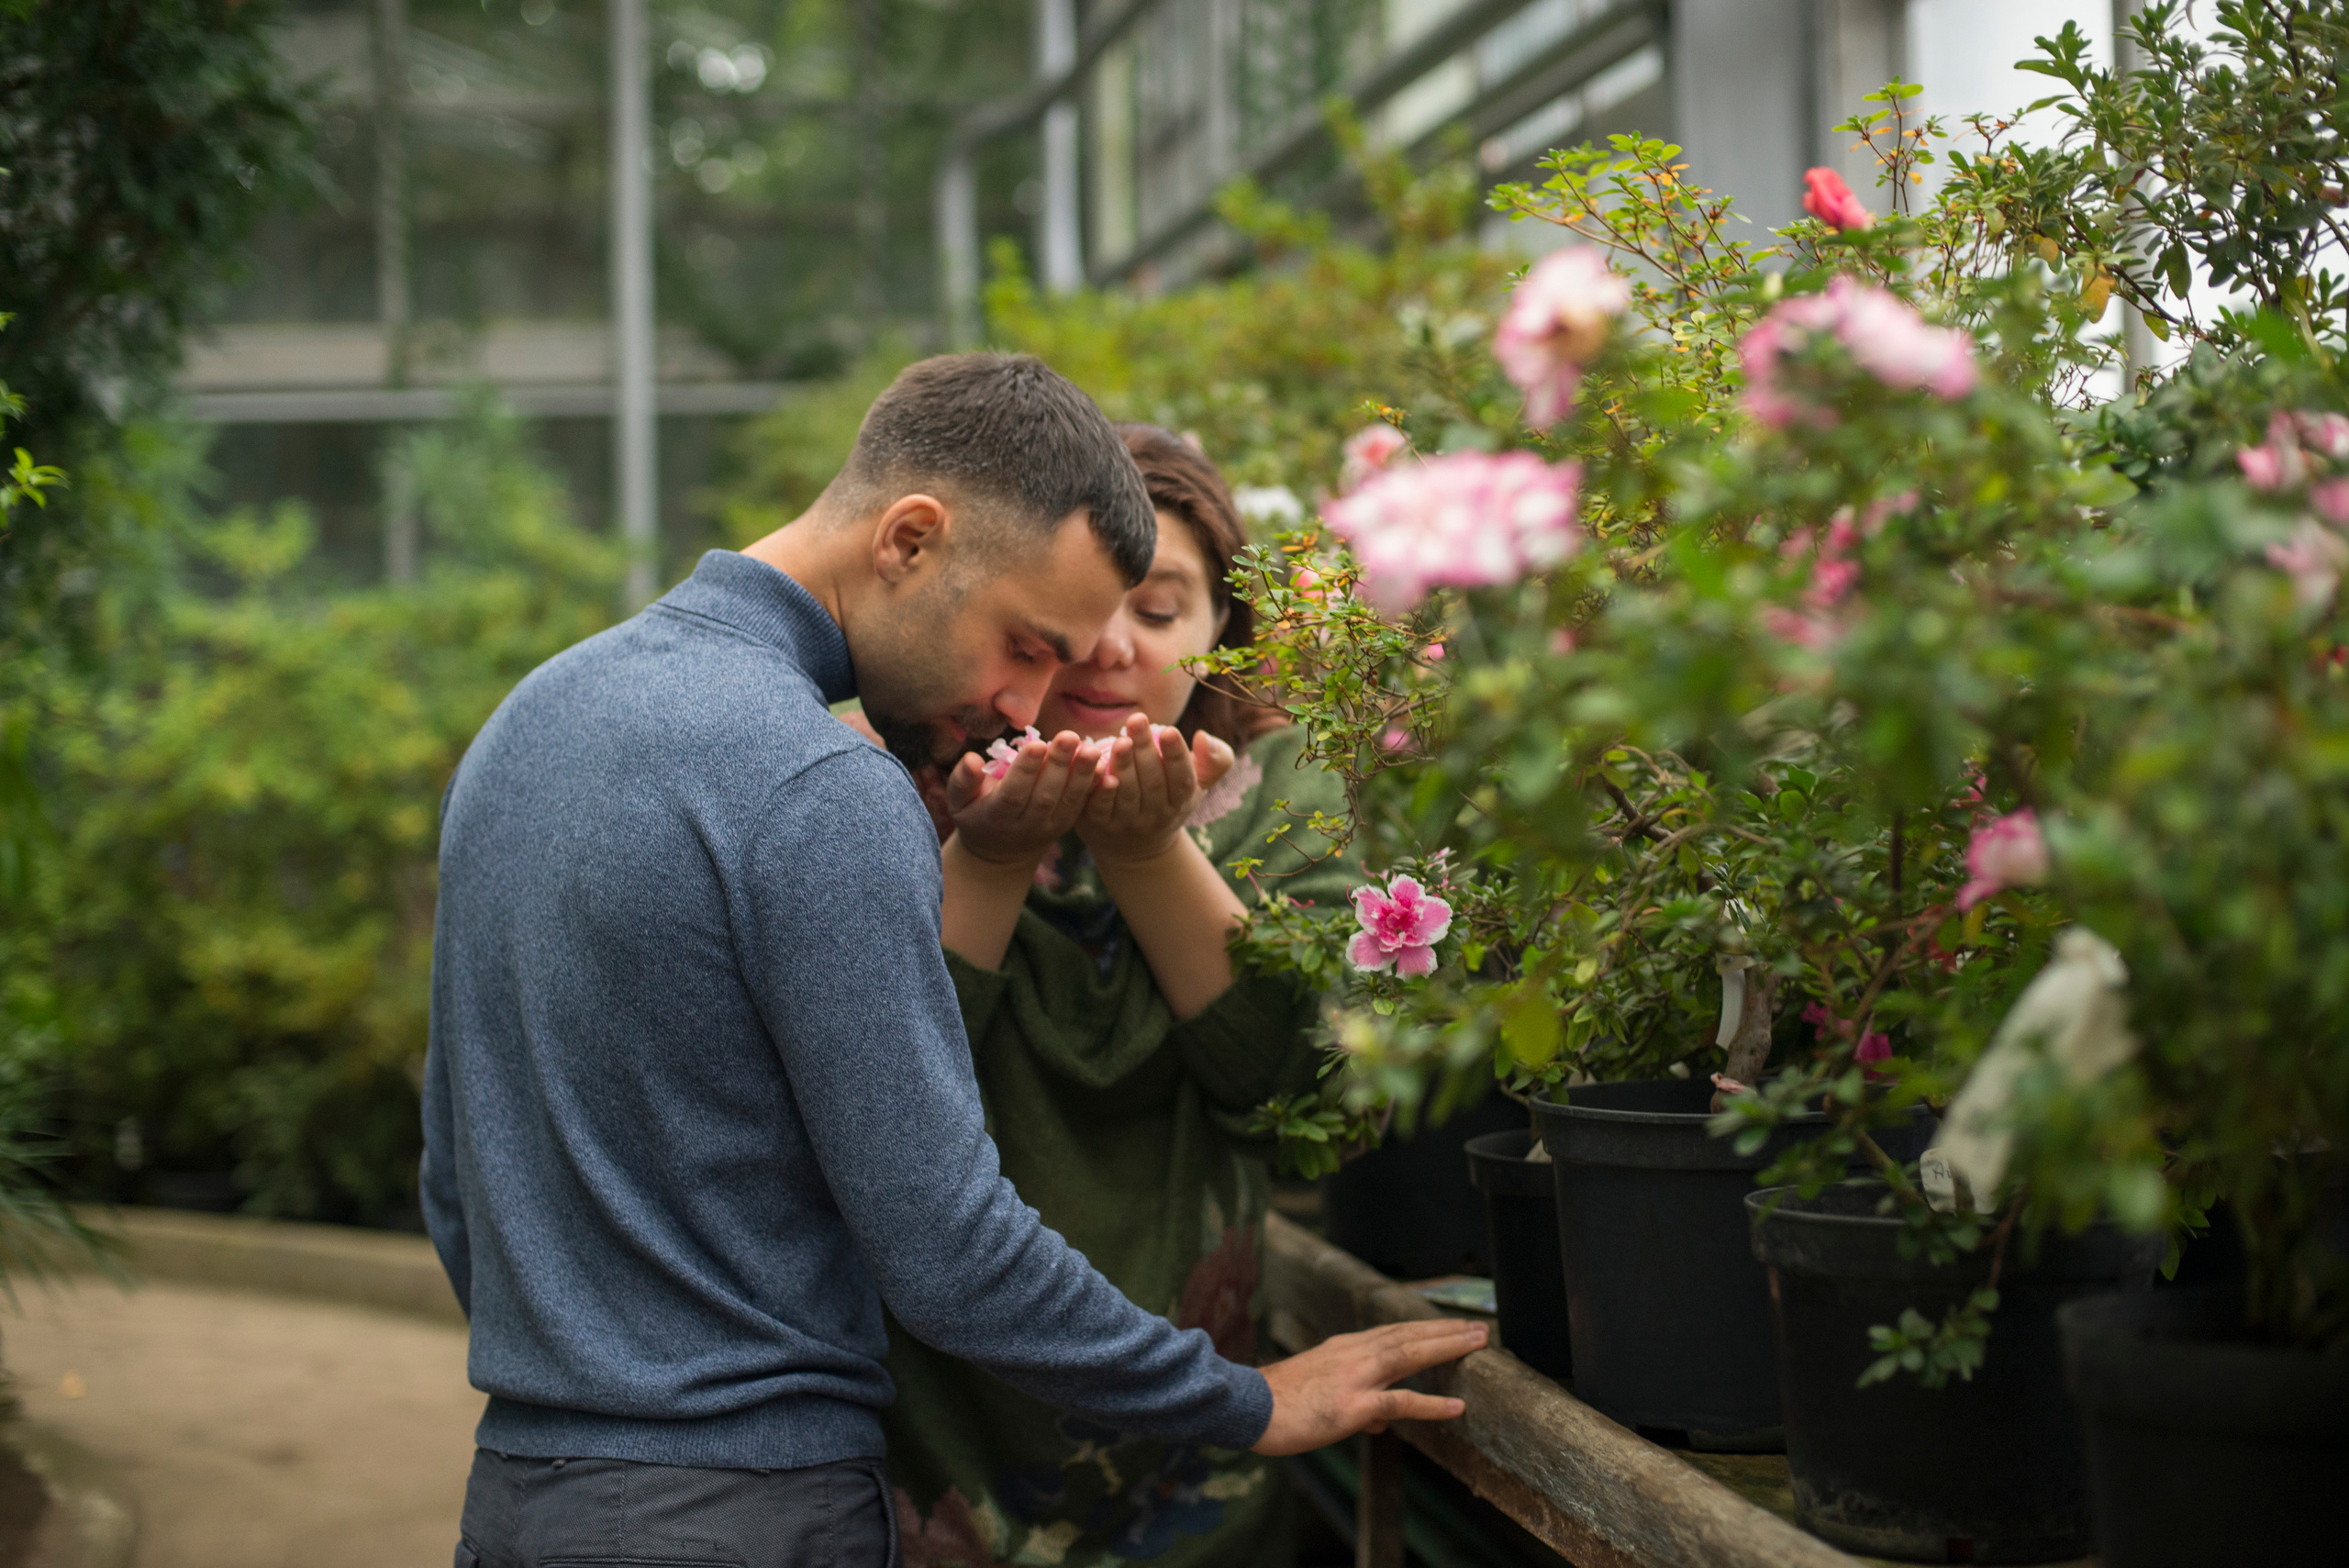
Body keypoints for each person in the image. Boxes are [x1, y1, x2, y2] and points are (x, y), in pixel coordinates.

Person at [421, 354, 1484, 1568]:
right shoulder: (822, 786)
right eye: (1027, 644)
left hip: (523, 1496)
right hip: (747, 1509)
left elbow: (456, 1175)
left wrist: (590, 1372)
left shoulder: (529, 722)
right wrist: (1250, 1400)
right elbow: (947, 1249)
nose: (1028, 702)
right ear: (910, 540)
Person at [880, 426, 1352, 1567]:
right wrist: (990, 861)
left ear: (1217, 633)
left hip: (1202, 1446)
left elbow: (1298, 1096)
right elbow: (882, 1085)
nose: (1107, 648)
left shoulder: (1279, 790)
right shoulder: (885, 771)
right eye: (1079, 605)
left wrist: (1146, 856)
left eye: (1160, 608)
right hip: (921, 1440)